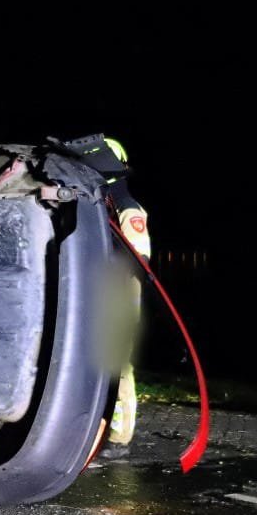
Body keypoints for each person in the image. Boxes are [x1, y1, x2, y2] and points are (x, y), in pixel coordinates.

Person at [95, 137, 150, 460]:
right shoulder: (103, 207)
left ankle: (119, 438)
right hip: (101, 297)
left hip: (119, 301)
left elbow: (138, 258)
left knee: (118, 366)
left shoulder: (128, 210)